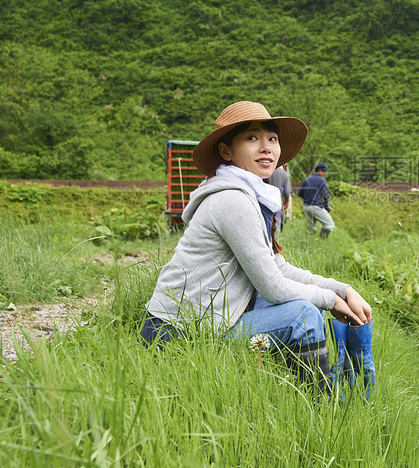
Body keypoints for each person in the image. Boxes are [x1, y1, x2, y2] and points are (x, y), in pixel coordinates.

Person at [141, 101, 374, 398]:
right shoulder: (233, 201)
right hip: (178, 334)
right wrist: (330, 301)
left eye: (272, 139)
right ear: (227, 152)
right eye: (252, 138)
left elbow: (276, 266)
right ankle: (324, 404)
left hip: (209, 316)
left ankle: (298, 393)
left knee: (295, 307)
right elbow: (273, 287)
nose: (266, 147)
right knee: (303, 315)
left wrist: (342, 289)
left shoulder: (248, 194)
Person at [298, 163, 335, 238]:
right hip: (316, 207)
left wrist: (308, 198)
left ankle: (309, 243)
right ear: (320, 170)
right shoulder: (322, 180)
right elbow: (325, 195)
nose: (325, 173)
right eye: (324, 171)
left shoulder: (307, 179)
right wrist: (326, 206)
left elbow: (300, 193)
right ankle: (322, 241)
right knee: (329, 224)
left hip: (306, 207)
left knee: (311, 229)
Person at [269, 164, 292, 230]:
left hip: (265, 198)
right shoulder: (284, 174)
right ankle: (275, 237)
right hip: (278, 200)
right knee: (277, 219)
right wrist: (286, 200)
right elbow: (287, 192)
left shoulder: (267, 173)